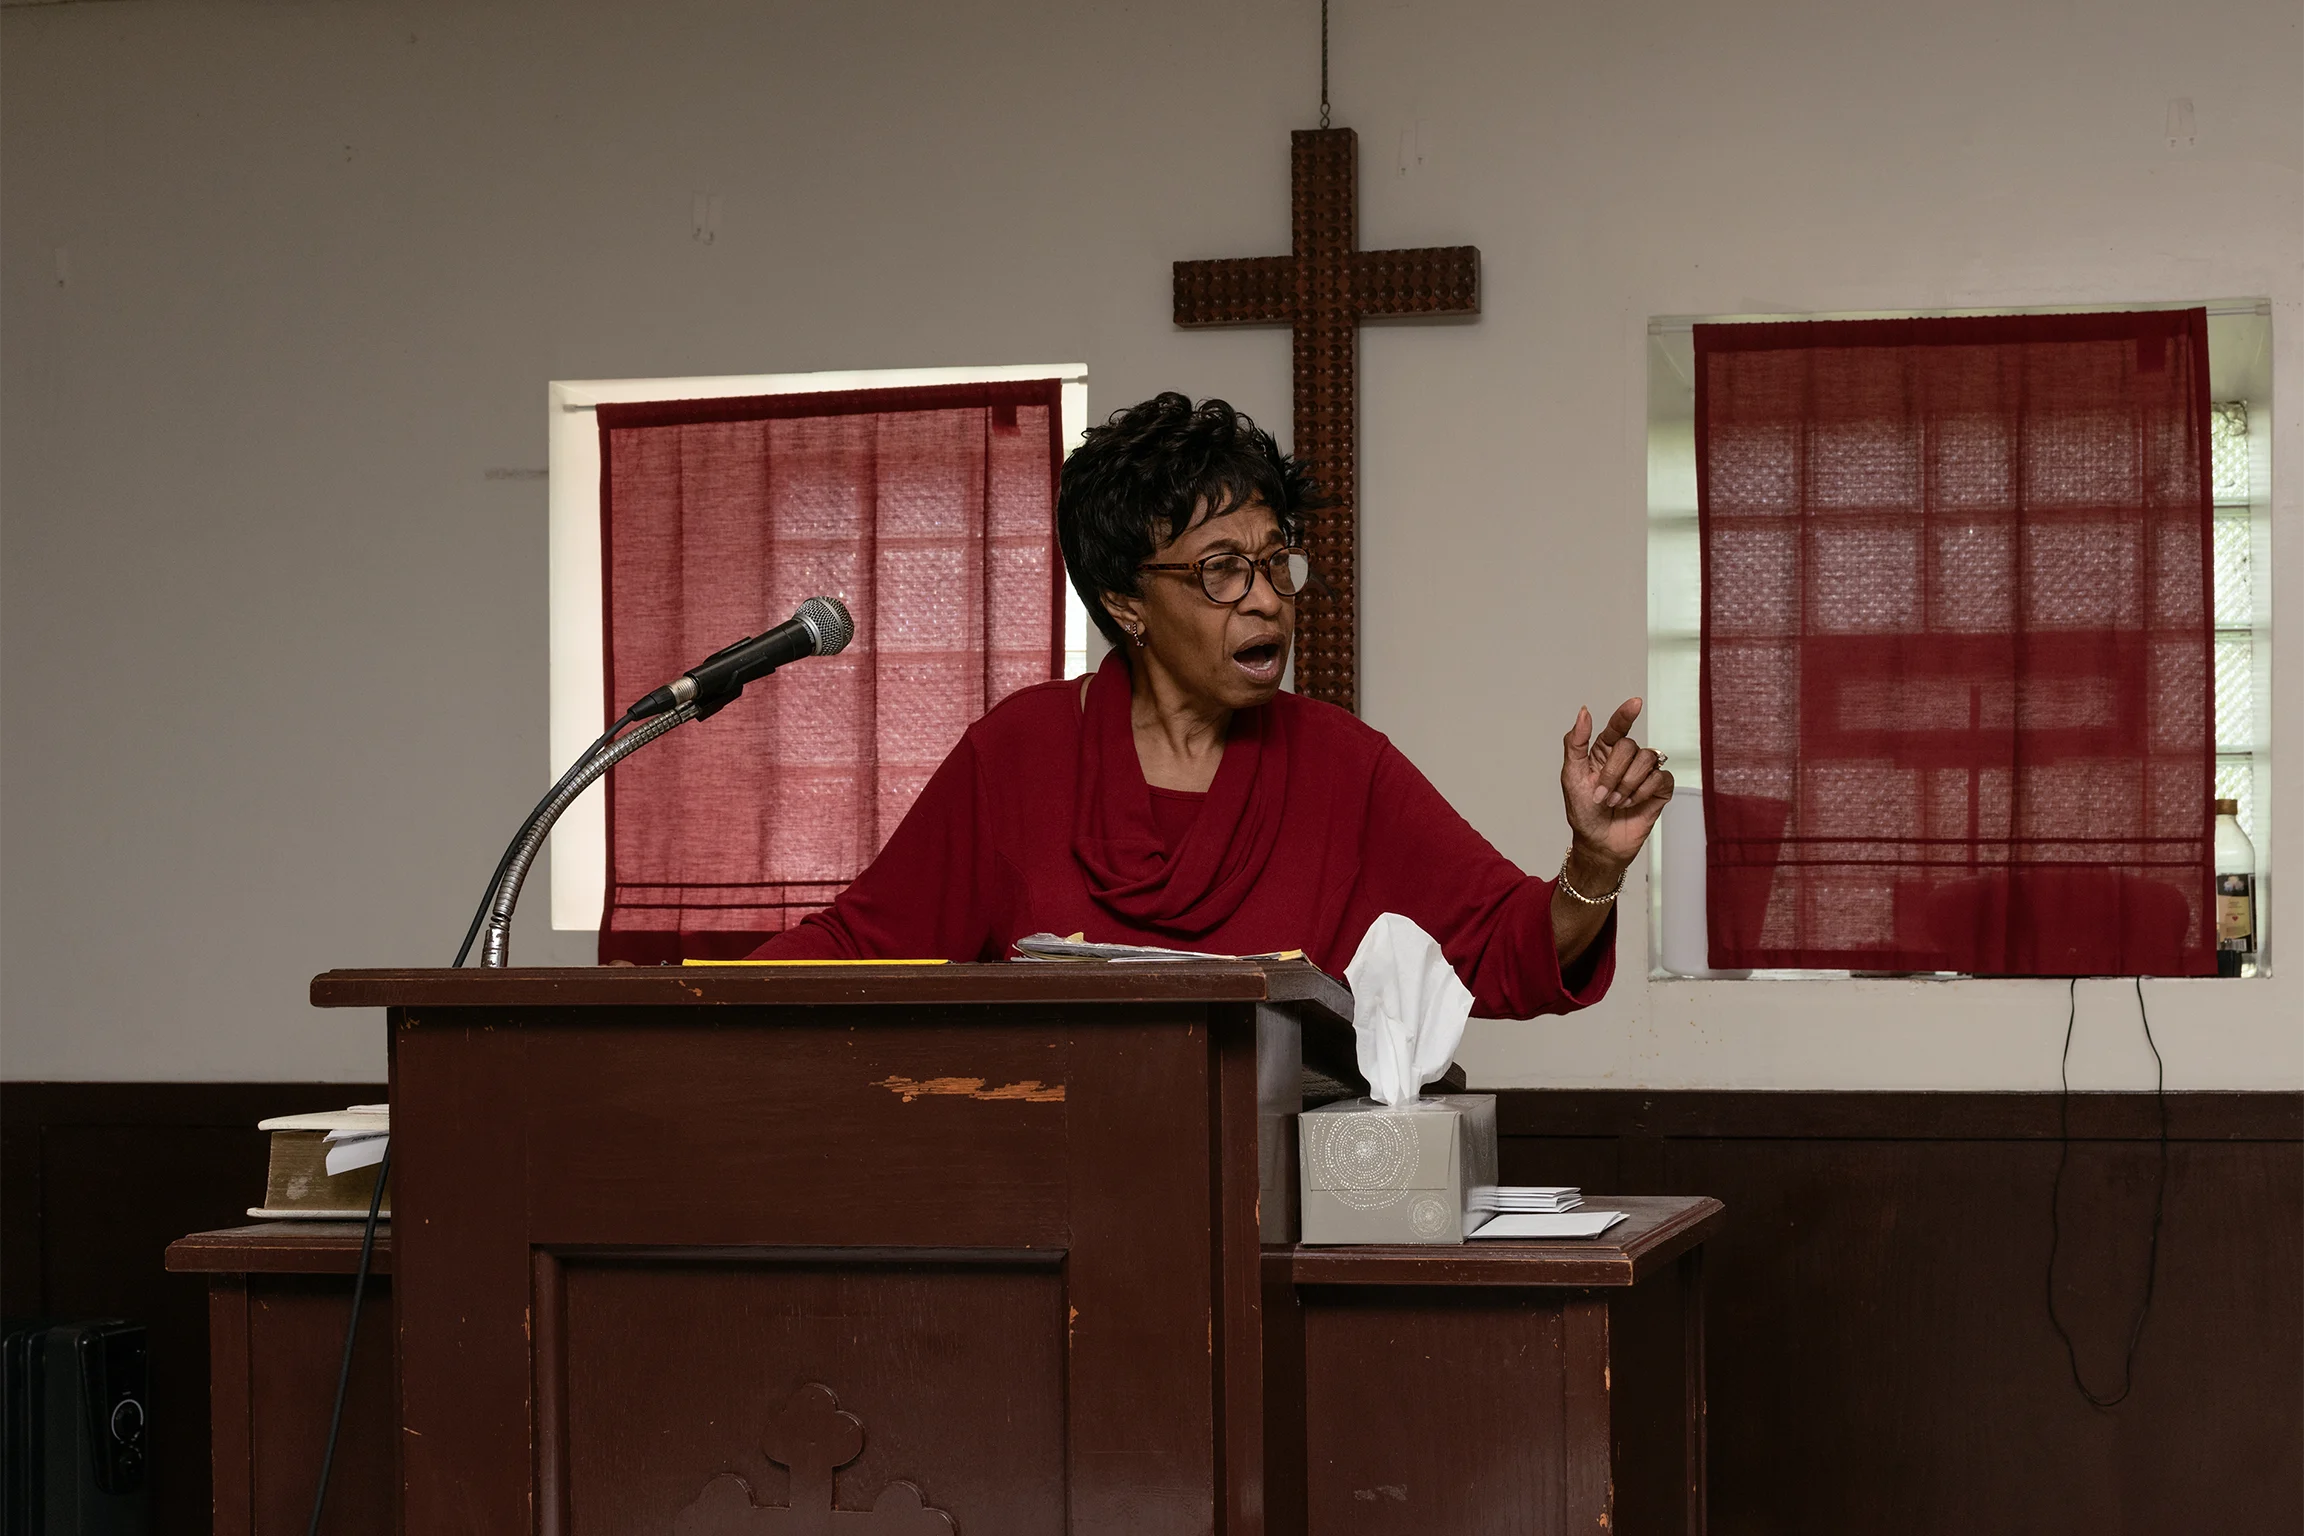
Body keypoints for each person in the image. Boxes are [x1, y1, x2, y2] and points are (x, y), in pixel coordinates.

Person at [747, 393, 1671, 1018]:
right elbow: (865, 943)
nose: (1266, 599)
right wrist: (684, 1005)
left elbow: (1505, 948)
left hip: (1273, 1205)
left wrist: (1594, 863)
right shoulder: (1019, 753)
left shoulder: (1344, 767)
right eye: (1222, 570)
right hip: (1042, 1200)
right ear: (1126, 603)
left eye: (1275, 562)